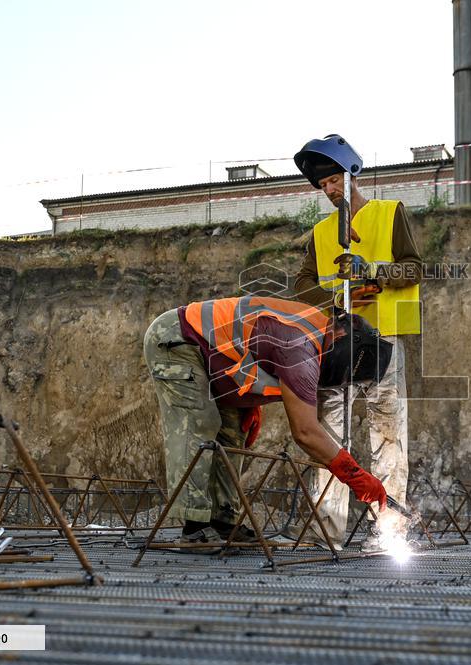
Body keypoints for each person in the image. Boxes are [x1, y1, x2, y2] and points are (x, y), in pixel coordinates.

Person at [143, 294, 392, 547]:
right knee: (199, 423)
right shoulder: (301, 346)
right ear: (341, 339)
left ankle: (223, 522)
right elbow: (305, 432)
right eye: (349, 372)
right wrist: (356, 476)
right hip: (178, 339)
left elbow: (256, 348)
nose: (344, 379)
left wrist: (249, 403)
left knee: (233, 432)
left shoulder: (314, 332)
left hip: (212, 355)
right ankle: (193, 527)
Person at [292, 134, 422, 550]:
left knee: (387, 434)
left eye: (334, 180)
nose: (329, 190)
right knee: (332, 436)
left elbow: (414, 268)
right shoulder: (321, 232)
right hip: (340, 340)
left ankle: (388, 532)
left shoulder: (389, 214)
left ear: (352, 174)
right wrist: (331, 298)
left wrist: (375, 273)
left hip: (383, 336)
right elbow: (301, 285)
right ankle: (327, 532)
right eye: (322, 185)